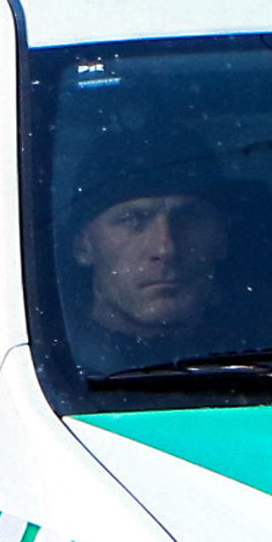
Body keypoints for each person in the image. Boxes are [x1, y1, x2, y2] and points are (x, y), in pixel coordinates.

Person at [62, 142, 230, 373]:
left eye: (187, 217)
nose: (165, 248)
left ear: (222, 238)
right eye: (132, 219)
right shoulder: (42, 366)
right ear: (84, 245)